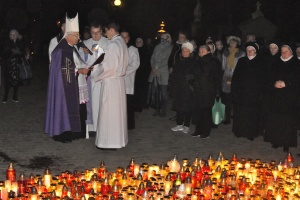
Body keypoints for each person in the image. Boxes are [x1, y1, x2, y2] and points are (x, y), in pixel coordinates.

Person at [44, 13, 85, 143]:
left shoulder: (72, 44)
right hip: (62, 84)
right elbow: (58, 65)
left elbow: (76, 61)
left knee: (71, 107)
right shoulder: (58, 45)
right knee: (62, 107)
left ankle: (70, 132)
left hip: (71, 81)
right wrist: (77, 70)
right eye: (76, 35)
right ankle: (60, 133)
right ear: (64, 30)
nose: (77, 37)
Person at [90, 21, 129, 150]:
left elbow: (109, 67)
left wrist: (95, 72)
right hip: (119, 82)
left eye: (106, 31)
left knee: (109, 113)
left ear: (111, 29)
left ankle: (108, 143)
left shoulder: (113, 45)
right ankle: (118, 141)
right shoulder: (122, 43)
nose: (105, 33)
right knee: (117, 113)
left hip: (111, 82)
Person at [264, 44, 300, 152]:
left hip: (289, 97)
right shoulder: (276, 63)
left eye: (286, 51)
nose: (284, 54)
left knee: (287, 121)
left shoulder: (297, 64)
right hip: (276, 97)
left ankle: (286, 143)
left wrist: (286, 84)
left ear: (291, 52)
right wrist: (274, 84)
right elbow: (268, 77)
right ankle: (276, 140)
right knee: (276, 120)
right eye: (282, 51)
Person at [78, 21, 109, 134]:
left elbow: (108, 59)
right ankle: (93, 128)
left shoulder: (107, 42)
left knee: (103, 104)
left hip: (104, 78)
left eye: (97, 32)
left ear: (102, 32)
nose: (95, 35)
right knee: (92, 104)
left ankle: (103, 127)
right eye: (93, 33)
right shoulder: (85, 43)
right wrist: (85, 54)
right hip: (90, 79)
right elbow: (80, 60)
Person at [231, 42, 264, 140]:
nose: (249, 52)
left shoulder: (260, 62)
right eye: (248, 50)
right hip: (241, 93)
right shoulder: (241, 61)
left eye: (251, 50)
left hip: (253, 94)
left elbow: (262, 79)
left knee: (251, 115)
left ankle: (251, 133)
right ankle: (239, 131)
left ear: (255, 51)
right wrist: (235, 90)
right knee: (241, 113)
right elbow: (236, 77)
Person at [188, 45, 220, 139]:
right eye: (200, 50)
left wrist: (216, 90)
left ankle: (206, 132)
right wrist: (192, 82)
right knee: (198, 111)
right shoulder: (197, 62)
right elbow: (191, 74)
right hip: (197, 90)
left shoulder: (212, 62)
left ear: (208, 52)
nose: (200, 51)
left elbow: (214, 77)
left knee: (206, 112)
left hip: (207, 90)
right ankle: (198, 130)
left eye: (203, 50)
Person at [170, 42, 196, 134]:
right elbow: (173, 75)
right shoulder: (178, 61)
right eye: (183, 50)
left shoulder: (193, 62)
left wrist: (190, 79)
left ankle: (187, 125)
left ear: (190, 52)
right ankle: (179, 124)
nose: (184, 52)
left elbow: (195, 75)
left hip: (188, 88)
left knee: (187, 107)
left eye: (187, 51)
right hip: (178, 87)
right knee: (179, 106)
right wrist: (172, 86)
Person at [221, 36, 245, 125]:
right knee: (227, 99)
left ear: (237, 44)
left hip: (237, 78)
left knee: (235, 99)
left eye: (234, 43)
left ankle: (236, 117)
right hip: (227, 77)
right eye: (231, 42)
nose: (232, 44)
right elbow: (223, 66)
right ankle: (227, 118)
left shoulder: (241, 53)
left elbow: (242, 67)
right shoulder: (225, 53)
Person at [148, 33, 173, 117]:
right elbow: (152, 57)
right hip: (155, 71)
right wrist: (153, 67)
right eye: (161, 38)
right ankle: (157, 109)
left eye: (164, 38)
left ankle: (163, 110)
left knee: (163, 92)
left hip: (164, 72)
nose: (162, 39)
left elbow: (167, 60)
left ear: (168, 38)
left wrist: (157, 67)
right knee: (155, 92)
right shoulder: (157, 47)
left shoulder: (170, 48)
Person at [121, 30, 140, 130]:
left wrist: (123, 72)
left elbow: (135, 64)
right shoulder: (117, 49)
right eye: (122, 36)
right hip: (117, 81)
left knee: (128, 105)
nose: (124, 39)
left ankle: (129, 125)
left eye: (126, 37)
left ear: (128, 38)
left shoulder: (133, 50)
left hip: (127, 80)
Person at [2, 29, 27, 103]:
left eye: (14, 34)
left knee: (16, 82)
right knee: (7, 82)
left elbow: (23, 52)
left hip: (17, 66)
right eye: (11, 34)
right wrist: (11, 53)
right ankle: (5, 96)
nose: (12, 36)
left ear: (17, 35)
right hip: (9, 66)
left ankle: (14, 96)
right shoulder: (7, 43)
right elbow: (3, 54)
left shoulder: (20, 43)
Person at [134, 37, 151, 112]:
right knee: (136, 90)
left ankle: (141, 105)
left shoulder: (146, 51)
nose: (138, 42)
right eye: (137, 41)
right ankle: (136, 105)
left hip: (143, 74)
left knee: (142, 91)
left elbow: (147, 63)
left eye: (140, 41)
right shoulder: (133, 50)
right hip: (135, 73)